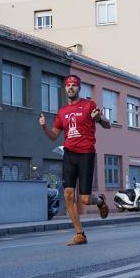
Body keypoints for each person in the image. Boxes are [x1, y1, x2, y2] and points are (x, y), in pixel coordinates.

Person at [39, 74, 110, 246]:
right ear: (65, 89)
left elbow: (107, 124)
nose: (71, 87)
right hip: (69, 154)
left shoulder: (88, 105)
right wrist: (44, 127)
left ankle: (100, 201)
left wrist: (98, 118)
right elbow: (54, 136)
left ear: (79, 88)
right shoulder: (62, 112)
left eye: (74, 85)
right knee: (68, 195)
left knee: (85, 199)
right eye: (68, 85)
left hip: (86, 153)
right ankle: (80, 234)